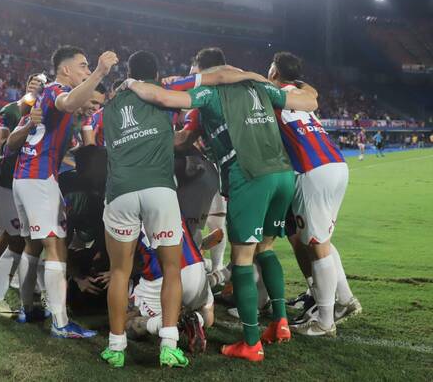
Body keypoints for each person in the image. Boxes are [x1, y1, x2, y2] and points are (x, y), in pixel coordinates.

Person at [124, 52, 318, 362]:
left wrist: (132, 86)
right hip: (282, 174)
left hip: (250, 175)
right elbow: (310, 101)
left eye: (194, 70)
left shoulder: (208, 91)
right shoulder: (261, 87)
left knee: (241, 259)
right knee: (266, 249)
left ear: (204, 70)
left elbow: (163, 99)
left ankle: (251, 342)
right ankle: (280, 324)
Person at [6, 45, 118, 338]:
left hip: (23, 177)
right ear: (66, 69)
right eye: (82, 65)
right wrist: (99, 72)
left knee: (32, 245)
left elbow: (13, 142)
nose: (85, 69)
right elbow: (68, 103)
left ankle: (26, 307)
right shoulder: (56, 90)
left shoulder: (41, 96)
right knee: (56, 246)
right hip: (40, 178)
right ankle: (61, 322)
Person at [100, 50, 188, 368]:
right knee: (172, 269)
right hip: (159, 188)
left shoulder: (110, 104)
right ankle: (168, 345)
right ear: (156, 73)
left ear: (128, 72)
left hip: (121, 189)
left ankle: (115, 348)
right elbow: (185, 113)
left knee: (120, 271)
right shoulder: (163, 95)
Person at [266, 52, 361, 337]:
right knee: (323, 241)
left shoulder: (271, 94)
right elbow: (313, 92)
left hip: (311, 170)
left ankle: (324, 320)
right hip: (337, 165)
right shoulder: (302, 93)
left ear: (274, 73)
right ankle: (345, 301)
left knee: (317, 245)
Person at [0, 76, 45, 319]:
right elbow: (2, 145)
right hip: (6, 182)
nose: (37, 87)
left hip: (28, 183)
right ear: (28, 84)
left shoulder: (45, 112)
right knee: (12, 237)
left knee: (25, 239)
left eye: (42, 84)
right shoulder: (10, 110)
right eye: (34, 83)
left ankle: (24, 294)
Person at [127, 219, 214, 355]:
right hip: (195, 268)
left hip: (162, 277)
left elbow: (130, 261)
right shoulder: (173, 202)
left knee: (124, 323)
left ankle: (172, 322)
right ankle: (197, 317)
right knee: (208, 313)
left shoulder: (129, 208)